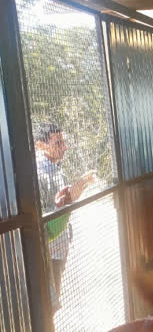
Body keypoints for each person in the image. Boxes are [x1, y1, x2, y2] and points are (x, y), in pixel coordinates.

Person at [35, 123, 94, 314]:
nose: (64, 147)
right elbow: (41, 216)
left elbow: (62, 202)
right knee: (48, 303)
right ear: (41, 146)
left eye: (64, 142)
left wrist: (80, 185)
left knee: (53, 298)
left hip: (58, 247)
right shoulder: (39, 174)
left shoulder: (55, 168)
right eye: (58, 143)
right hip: (48, 251)